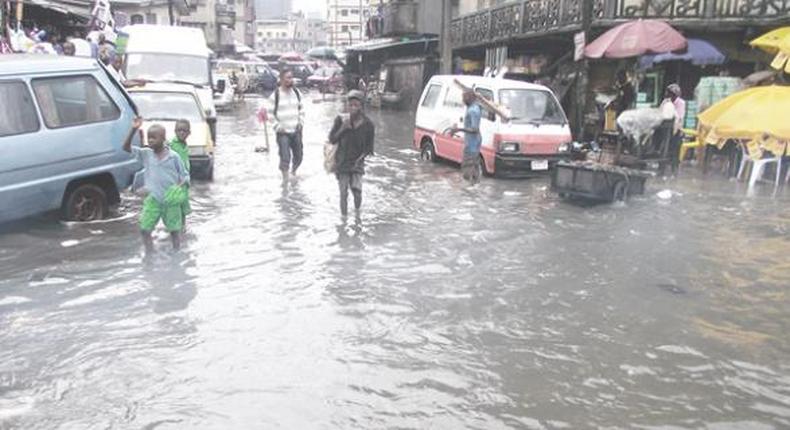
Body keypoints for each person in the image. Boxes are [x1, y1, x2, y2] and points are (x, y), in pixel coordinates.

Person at [123, 117, 190, 253]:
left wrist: (179, 187)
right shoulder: (146, 154)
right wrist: (133, 129)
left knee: (174, 232)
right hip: (153, 199)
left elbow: (185, 176)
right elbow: (126, 147)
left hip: (170, 201)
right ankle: (150, 255)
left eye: (154, 138)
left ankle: (177, 258)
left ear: (163, 139)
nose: (150, 141)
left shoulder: (174, 157)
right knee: (144, 229)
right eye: (149, 138)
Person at [328, 90, 375, 217]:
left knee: (357, 191)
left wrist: (360, 160)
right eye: (350, 105)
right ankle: (343, 220)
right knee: (343, 193)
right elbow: (332, 139)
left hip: (357, 163)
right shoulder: (340, 120)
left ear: (362, 107)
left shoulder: (368, 125)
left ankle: (357, 216)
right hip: (342, 162)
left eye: (356, 105)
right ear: (347, 106)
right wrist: (343, 128)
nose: (353, 108)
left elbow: (369, 149)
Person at [269, 70, 305, 181]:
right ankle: (285, 181)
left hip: (296, 130)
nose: (290, 80)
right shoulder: (275, 95)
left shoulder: (297, 93)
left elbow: (302, 110)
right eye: (288, 78)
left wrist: (301, 122)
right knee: (285, 157)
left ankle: (293, 172)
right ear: (281, 79)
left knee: (299, 156)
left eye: (291, 77)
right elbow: (269, 114)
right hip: (283, 132)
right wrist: (278, 127)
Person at [449, 90, 483, 184]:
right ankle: (475, 188)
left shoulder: (473, 110)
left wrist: (459, 129)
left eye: (464, 98)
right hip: (474, 143)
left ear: (470, 98)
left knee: (467, 169)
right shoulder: (475, 107)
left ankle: (468, 192)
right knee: (474, 168)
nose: (463, 100)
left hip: (472, 144)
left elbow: (474, 129)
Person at [168, 119, 192, 229]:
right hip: (174, 184)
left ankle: (182, 231)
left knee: (183, 210)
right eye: (179, 130)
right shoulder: (170, 145)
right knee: (174, 210)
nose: (181, 133)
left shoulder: (185, 146)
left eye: (184, 131)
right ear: (175, 131)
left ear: (189, 133)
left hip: (184, 184)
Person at [661, 83, 686, 174]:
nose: (667, 95)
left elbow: (679, 117)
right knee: (663, 148)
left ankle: (674, 169)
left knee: (675, 150)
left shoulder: (681, 103)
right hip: (665, 128)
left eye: (669, 93)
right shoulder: (666, 102)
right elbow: (661, 112)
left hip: (677, 129)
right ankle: (662, 167)